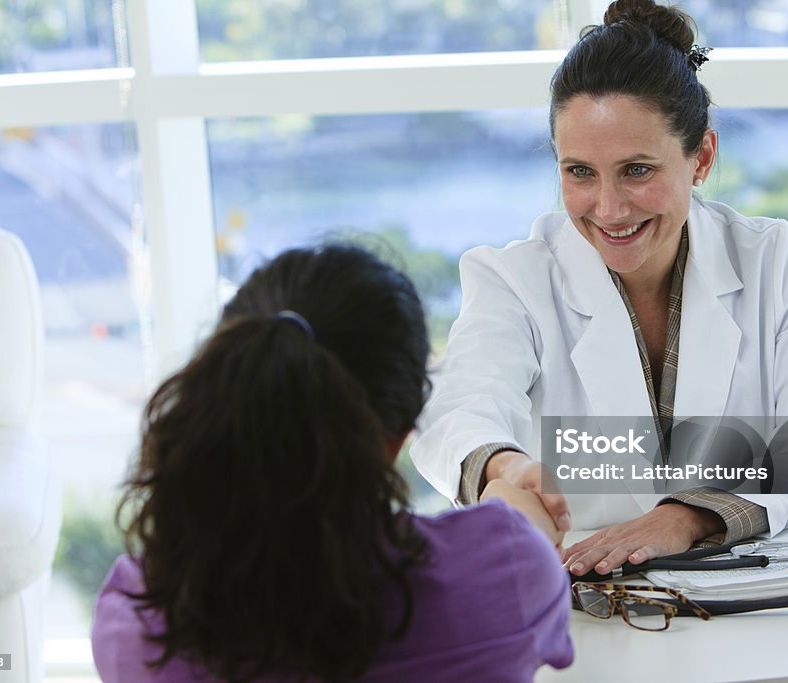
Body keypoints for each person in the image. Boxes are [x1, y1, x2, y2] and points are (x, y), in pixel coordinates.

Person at [411, 0, 788, 579]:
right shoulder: (513, 280)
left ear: (701, 157)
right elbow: (456, 413)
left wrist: (691, 516)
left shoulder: (772, 261)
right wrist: (503, 466)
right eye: (580, 172)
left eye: (637, 170)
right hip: (592, 605)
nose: (608, 208)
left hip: (754, 597)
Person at [91, 244, 572, 682]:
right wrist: (507, 497)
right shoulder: (501, 574)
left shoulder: (137, 621)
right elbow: (531, 530)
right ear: (400, 436)